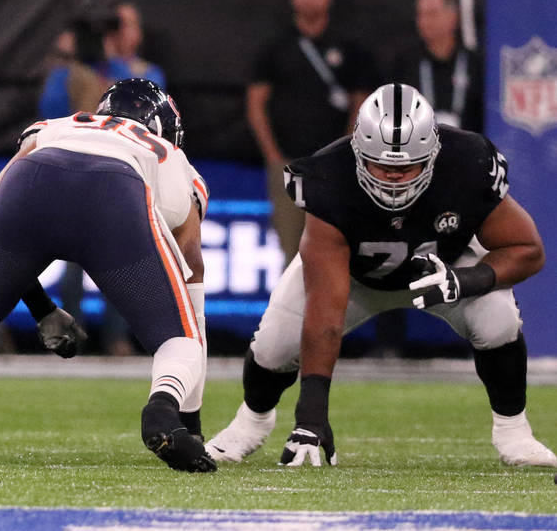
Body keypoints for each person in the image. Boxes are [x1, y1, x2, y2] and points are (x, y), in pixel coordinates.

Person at [206, 83, 556, 468]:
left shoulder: (467, 163)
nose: (393, 178)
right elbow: (325, 309)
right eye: (381, 166)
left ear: (433, 154)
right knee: (273, 346)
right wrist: (311, 415)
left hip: (443, 271)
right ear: (358, 152)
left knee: (499, 319)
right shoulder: (330, 178)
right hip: (354, 277)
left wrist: (469, 281)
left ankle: (514, 432)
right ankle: (251, 422)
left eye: (406, 167)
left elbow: (528, 249)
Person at [0, 78, 215, 472]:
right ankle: (162, 410)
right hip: (117, 190)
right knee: (180, 336)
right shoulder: (171, 157)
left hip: (34, 176)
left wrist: (41, 308)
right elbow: (191, 276)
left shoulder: (54, 125)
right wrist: (188, 424)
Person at [247, 0, 375, 265]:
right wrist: (273, 156)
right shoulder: (275, 47)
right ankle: (294, 313)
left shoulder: (348, 48)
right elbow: (256, 103)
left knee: (333, 253)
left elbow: (362, 101)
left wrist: (346, 151)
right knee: (291, 254)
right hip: (289, 165)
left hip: (334, 169)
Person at [392, 0, 483, 133]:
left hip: (468, 151)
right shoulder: (406, 63)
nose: (424, 22)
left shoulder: (475, 64)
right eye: (420, 14)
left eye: (432, 14)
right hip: (417, 151)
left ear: (454, 17)